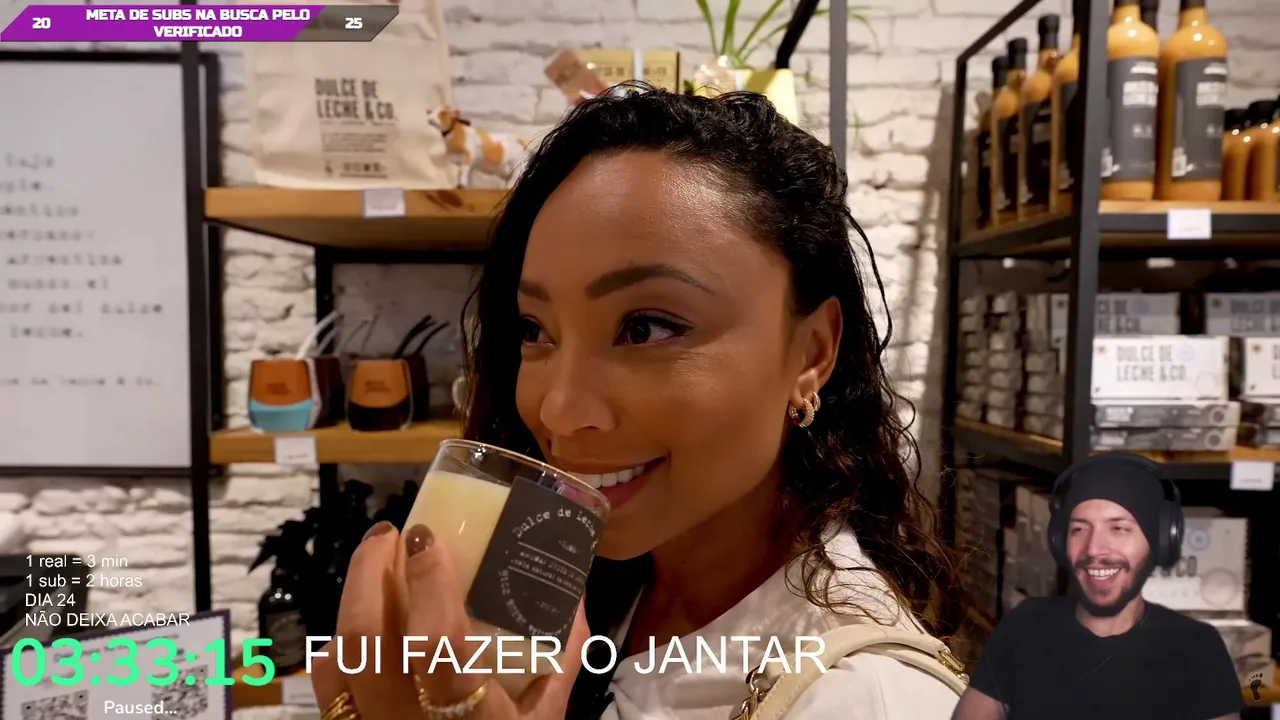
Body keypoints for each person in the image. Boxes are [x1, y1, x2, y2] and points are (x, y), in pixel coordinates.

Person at [307, 87, 969, 719]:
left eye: (647, 327)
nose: (559, 411)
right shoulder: (601, 582)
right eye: (534, 330)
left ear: (811, 353)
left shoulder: (866, 698)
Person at [952, 453, 1244, 720]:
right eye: (1079, 529)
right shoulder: (1025, 627)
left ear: (1159, 541)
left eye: (1119, 528)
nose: (1094, 549)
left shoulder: (1197, 648)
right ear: (1059, 541)